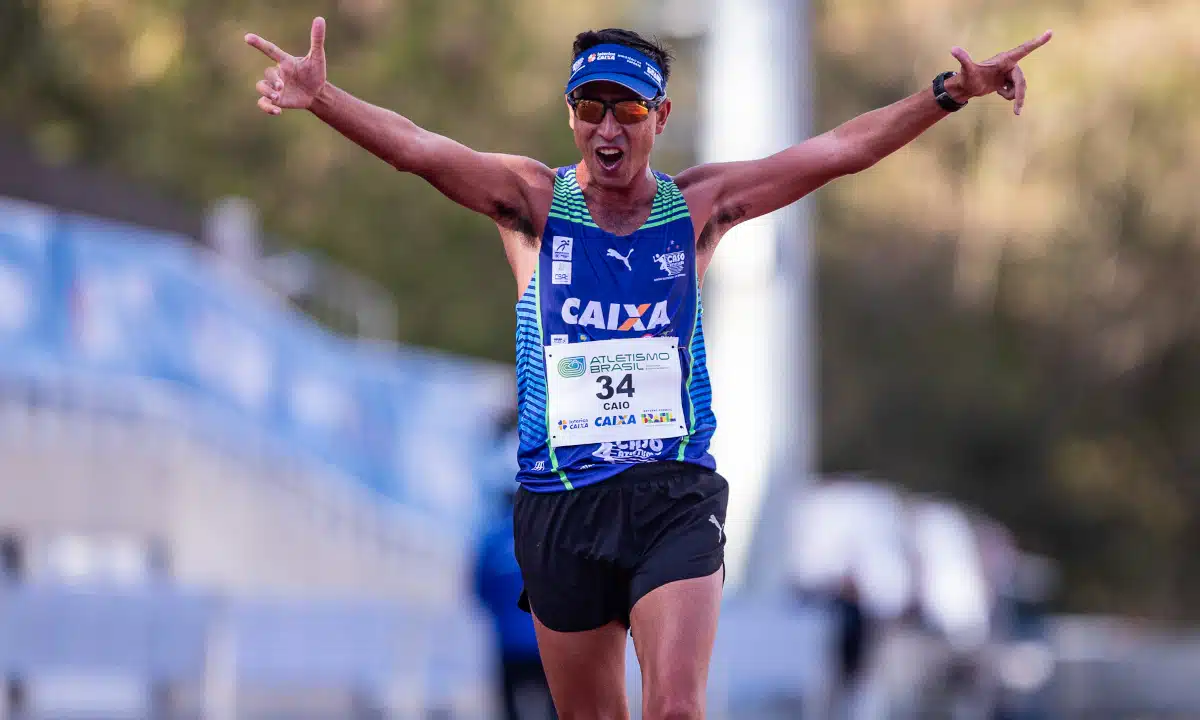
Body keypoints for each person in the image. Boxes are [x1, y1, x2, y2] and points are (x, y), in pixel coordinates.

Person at [244, 19, 1052, 720]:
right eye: (589, 106)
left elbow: (836, 151)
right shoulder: (531, 202)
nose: (608, 128)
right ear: (570, 114)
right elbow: (421, 151)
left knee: (674, 706)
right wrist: (326, 99)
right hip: (559, 500)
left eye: (627, 109)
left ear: (659, 117)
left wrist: (950, 92)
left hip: (670, 492)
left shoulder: (696, 208)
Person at [474, 490, 558, 720]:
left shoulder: (491, 541)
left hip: (509, 643)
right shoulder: (548, 534)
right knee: (558, 707)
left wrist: (503, 615)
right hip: (549, 641)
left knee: (510, 707)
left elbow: (480, 589)